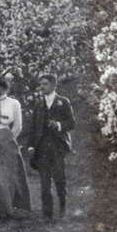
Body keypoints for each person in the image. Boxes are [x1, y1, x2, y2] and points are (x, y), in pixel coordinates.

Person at [27, 73, 76, 222]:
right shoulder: (38, 104)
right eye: (40, 84)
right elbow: (33, 127)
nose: (41, 87)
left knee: (60, 179)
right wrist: (30, 146)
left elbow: (72, 123)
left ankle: (62, 209)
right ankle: (47, 214)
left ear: (53, 85)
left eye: (45, 84)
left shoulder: (63, 102)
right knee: (44, 182)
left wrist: (59, 125)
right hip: (42, 148)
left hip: (57, 147)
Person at [0, 76, 31, 219]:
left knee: (9, 174)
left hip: (8, 139)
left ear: (4, 88)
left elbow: (18, 125)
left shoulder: (14, 103)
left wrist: (10, 138)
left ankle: (9, 209)